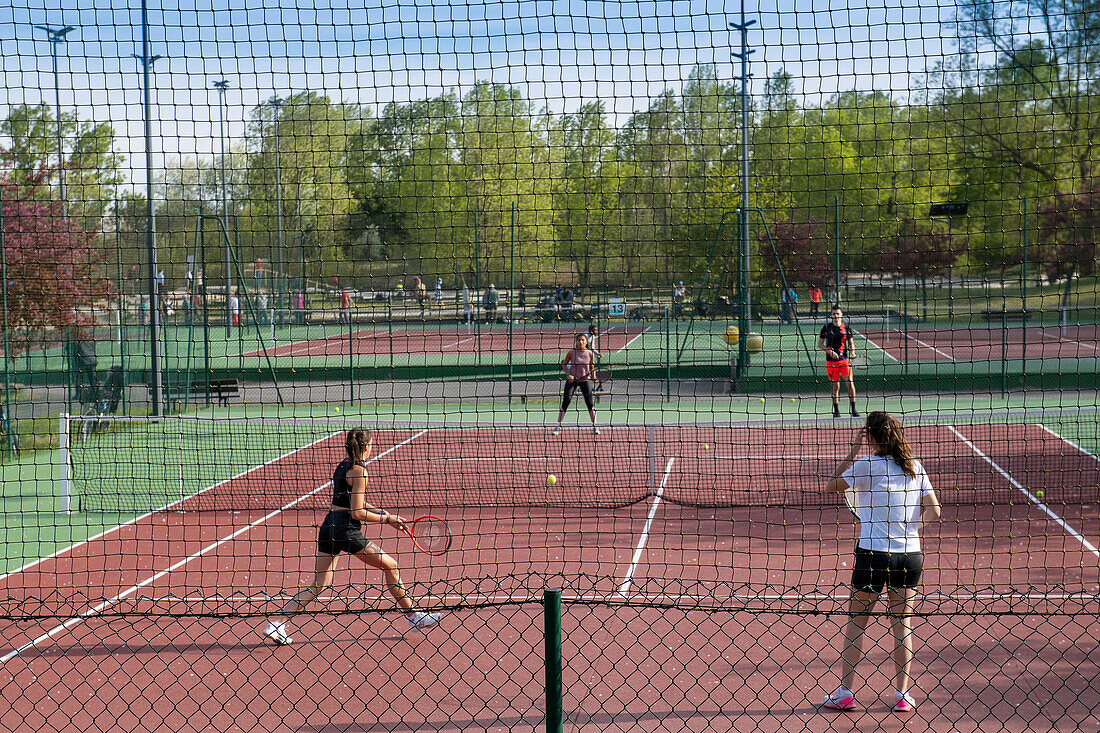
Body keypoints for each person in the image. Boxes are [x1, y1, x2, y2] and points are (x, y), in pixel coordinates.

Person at [262, 428, 441, 646]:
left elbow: (356, 502)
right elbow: (357, 512)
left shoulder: (342, 466)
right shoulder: (360, 472)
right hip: (346, 530)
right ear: (366, 448)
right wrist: (385, 520)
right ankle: (414, 617)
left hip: (329, 526)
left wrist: (386, 515)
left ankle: (277, 623)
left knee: (318, 585)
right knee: (391, 566)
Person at [823, 412, 941, 713]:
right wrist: (912, 529)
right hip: (909, 556)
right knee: (902, 625)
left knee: (855, 624)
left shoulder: (866, 465)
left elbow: (831, 485)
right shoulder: (916, 467)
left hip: (873, 556)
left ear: (871, 437)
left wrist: (852, 450)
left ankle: (845, 692)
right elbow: (935, 511)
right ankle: (902, 695)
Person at [551, 333, 600, 436]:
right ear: (576, 342)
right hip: (572, 380)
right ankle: (558, 426)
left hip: (585, 380)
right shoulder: (572, 352)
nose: (580, 342)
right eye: (578, 340)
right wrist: (569, 375)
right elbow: (564, 364)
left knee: (590, 403)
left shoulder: (590, 353)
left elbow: (592, 367)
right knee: (566, 400)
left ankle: (595, 426)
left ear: (586, 342)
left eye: (582, 340)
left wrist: (594, 376)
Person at [820, 306, 859, 417]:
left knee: (850, 383)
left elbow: (851, 343)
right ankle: (836, 411)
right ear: (831, 315)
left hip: (844, 361)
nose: (836, 316)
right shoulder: (826, 328)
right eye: (834, 314)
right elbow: (820, 344)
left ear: (841, 315)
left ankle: (854, 410)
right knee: (836, 387)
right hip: (831, 363)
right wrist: (829, 351)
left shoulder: (846, 328)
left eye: (837, 313)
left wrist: (853, 352)